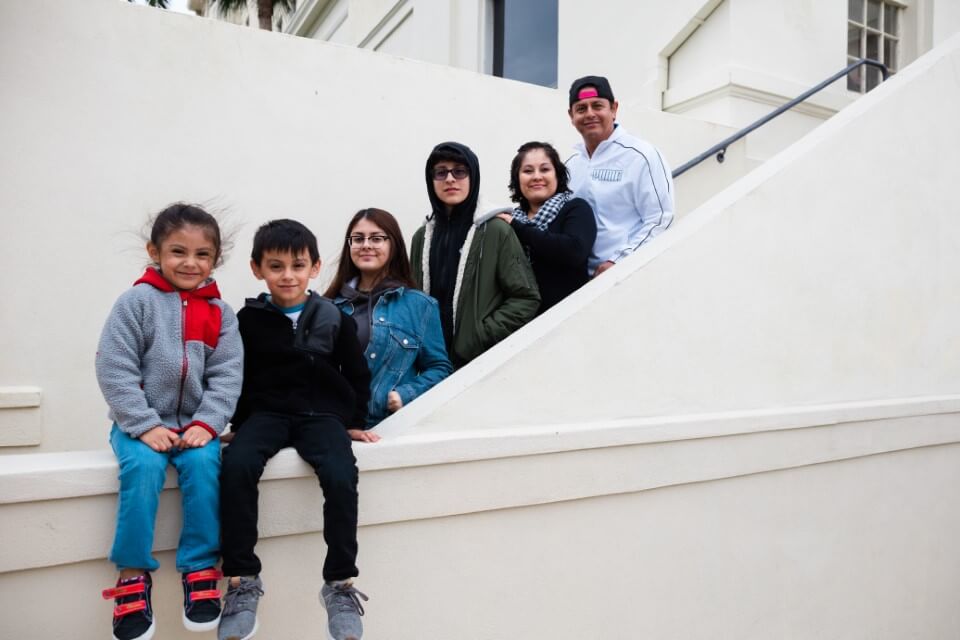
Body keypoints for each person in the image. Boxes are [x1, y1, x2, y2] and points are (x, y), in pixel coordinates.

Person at [218, 219, 373, 640]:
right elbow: (238, 376)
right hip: (265, 415)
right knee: (236, 465)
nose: (288, 275)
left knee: (341, 474)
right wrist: (238, 424)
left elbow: (357, 374)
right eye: (276, 266)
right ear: (257, 269)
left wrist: (354, 422)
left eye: (298, 266)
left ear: (315, 267)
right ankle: (242, 580)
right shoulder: (247, 320)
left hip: (322, 417)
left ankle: (339, 583)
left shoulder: (332, 317)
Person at [97, 203, 243, 640]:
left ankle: (199, 568)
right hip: (139, 425)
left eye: (202, 254)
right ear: (154, 252)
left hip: (195, 426)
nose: (190, 263)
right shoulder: (135, 303)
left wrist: (208, 423)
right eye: (178, 251)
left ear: (214, 260)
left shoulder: (220, 313)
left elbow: (227, 375)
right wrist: (143, 424)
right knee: (142, 468)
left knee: (204, 465)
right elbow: (114, 368)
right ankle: (132, 573)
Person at [410, 141, 540, 367]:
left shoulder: (496, 231)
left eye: (459, 171)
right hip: (430, 366)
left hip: (476, 362)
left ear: (473, 177)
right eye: (441, 172)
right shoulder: (421, 237)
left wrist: (479, 336)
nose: (450, 179)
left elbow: (526, 297)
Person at [326, 208, 453, 425]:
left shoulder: (420, 305)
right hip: (334, 428)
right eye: (358, 239)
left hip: (389, 428)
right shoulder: (327, 307)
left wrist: (405, 394)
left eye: (376, 238)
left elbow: (440, 368)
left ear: (393, 245)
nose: (366, 245)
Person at [565, 75, 675, 277]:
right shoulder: (570, 166)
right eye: (581, 109)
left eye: (597, 106)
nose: (590, 114)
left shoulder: (642, 155)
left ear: (614, 109)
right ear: (571, 116)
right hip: (577, 282)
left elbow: (661, 218)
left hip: (627, 276)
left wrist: (618, 261)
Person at [496, 141, 597, 313]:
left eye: (544, 169)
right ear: (517, 179)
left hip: (567, 318)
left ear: (557, 174)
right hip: (519, 321)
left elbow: (574, 251)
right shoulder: (509, 220)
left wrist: (519, 228)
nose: (537, 177)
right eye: (528, 171)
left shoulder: (576, 208)